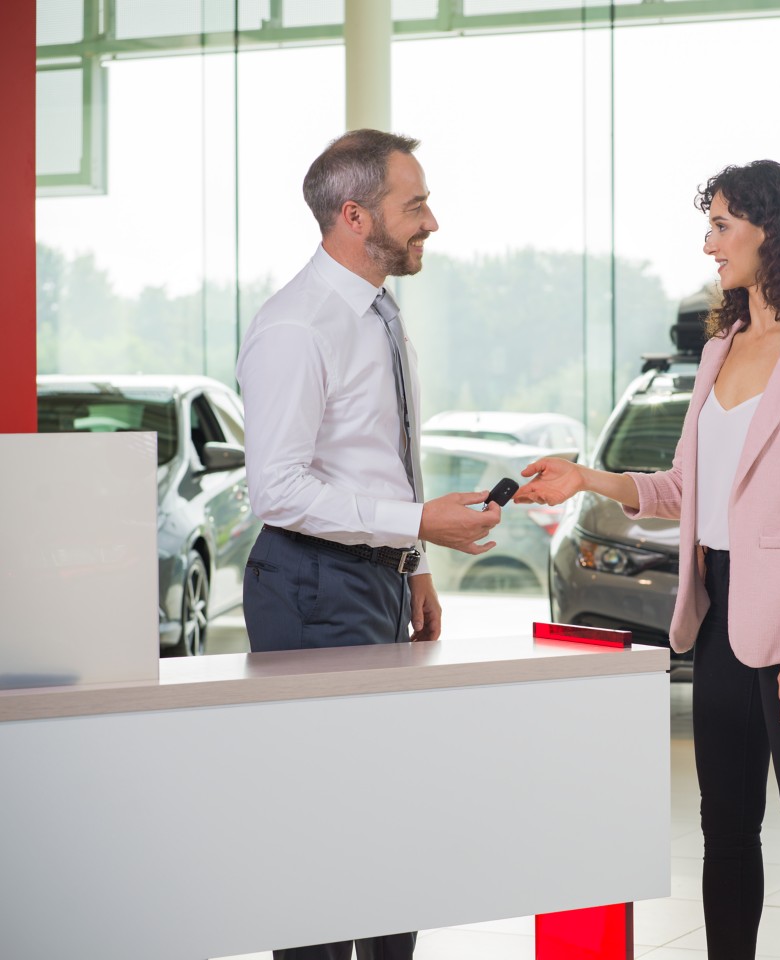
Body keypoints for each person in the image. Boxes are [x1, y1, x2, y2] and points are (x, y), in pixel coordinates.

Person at [516, 159, 780, 959]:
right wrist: (586, 479)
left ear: (768, 231)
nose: (708, 244)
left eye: (720, 225)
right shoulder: (722, 348)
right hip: (718, 618)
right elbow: (684, 486)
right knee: (726, 831)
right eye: (709, 224)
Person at [236, 129, 502, 960]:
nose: (432, 221)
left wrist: (413, 566)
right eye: (414, 203)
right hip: (314, 588)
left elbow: (377, 461)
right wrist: (420, 525)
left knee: (391, 816)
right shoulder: (297, 326)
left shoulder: (378, 315)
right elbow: (277, 490)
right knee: (324, 831)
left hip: (375, 582)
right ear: (355, 215)